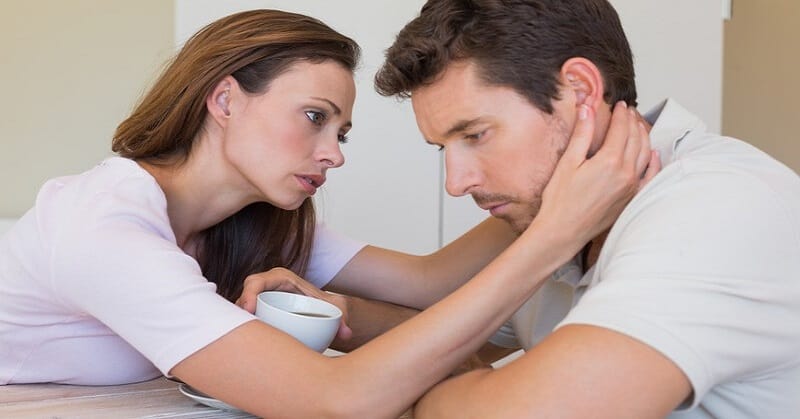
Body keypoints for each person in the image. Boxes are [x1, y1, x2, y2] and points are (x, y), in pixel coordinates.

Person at [0, 8, 657, 418]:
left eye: (340, 132)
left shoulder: (257, 220)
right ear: (225, 100)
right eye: (314, 117)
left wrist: (565, 176)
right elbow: (335, 400)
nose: (331, 154)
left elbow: (428, 282)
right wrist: (556, 232)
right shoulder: (105, 227)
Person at [373, 0, 800, 417]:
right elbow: (443, 339)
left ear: (579, 91)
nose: (456, 182)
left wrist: (432, 395)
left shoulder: (715, 209)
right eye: (442, 148)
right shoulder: (561, 208)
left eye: (476, 134)